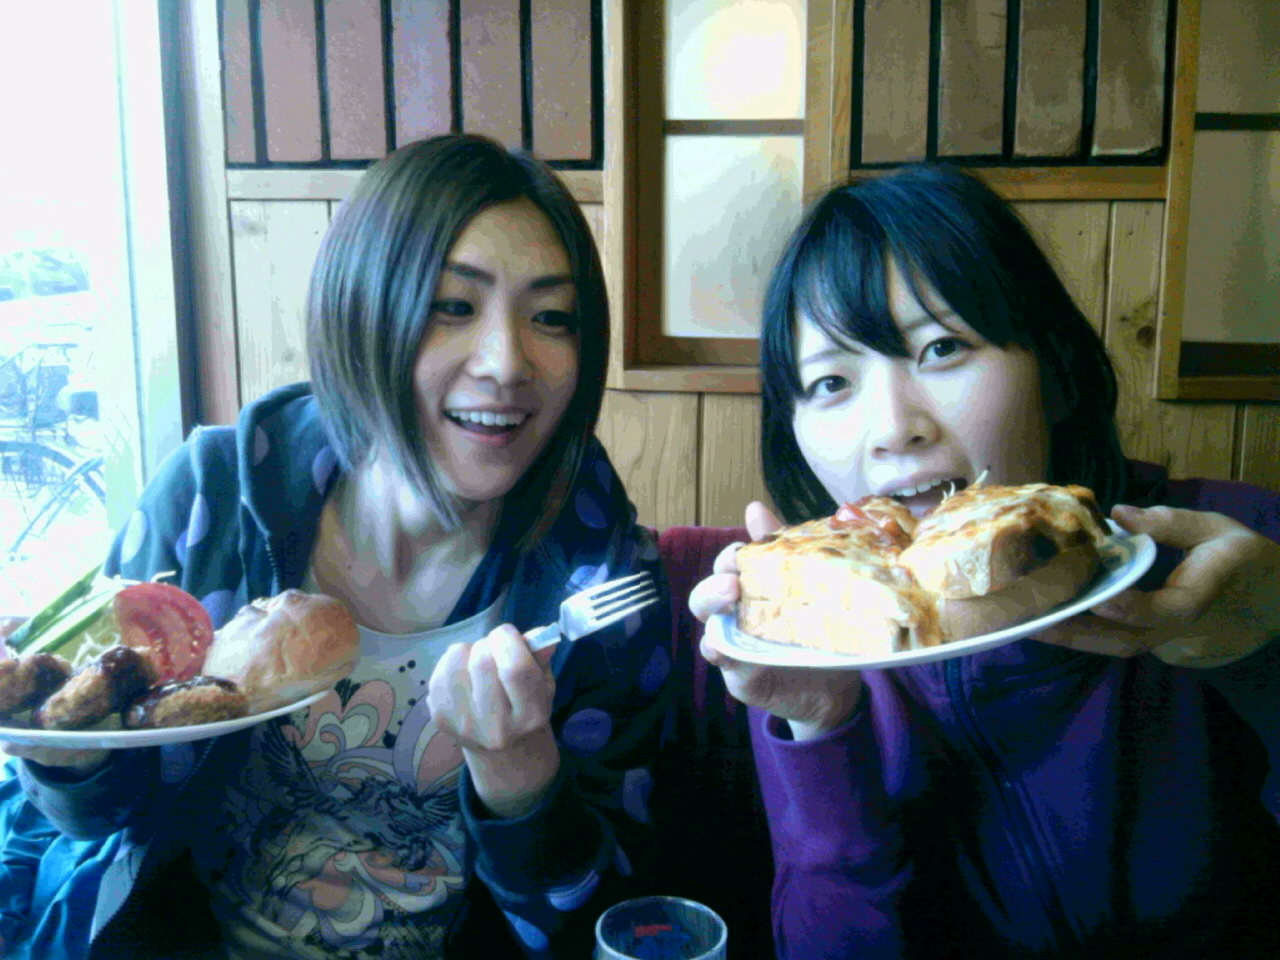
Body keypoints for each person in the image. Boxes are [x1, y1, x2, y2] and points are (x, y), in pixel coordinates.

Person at [3, 133, 670, 960]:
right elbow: (101, 821)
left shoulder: (598, 579)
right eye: (452, 306)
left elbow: (611, 911)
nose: (507, 363)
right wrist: (60, 755)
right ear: (359, 312)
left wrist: (523, 783)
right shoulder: (212, 501)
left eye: (552, 317)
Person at [688, 163, 1280, 958]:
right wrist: (820, 724)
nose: (893, 427)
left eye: (942, 347)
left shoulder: (1232, 550)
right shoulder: (815, 638)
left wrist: (1265, 657)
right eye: (830, 382)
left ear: (1055, 370)